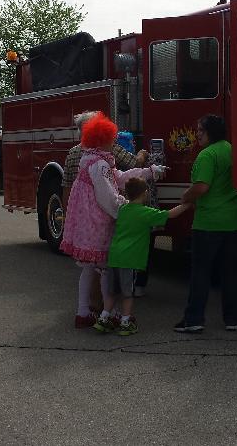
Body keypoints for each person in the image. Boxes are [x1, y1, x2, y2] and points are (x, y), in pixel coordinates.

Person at [60, 112, 163, 329]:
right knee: (106, 269)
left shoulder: (92, 159)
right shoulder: (100, 164)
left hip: (86, 222)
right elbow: (107, 196)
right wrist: (124, 209)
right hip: (97, 222)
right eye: (111, 137)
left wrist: (148, 171)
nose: (114, 141)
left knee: (89, 269)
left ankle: (83, 312)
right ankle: (111, 312)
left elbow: (120, 177)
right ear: (102, 139)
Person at [174, 114, 237, 334]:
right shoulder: (231, 149)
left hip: (210, 222)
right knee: (231, 272)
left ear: (211, 132)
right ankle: (233, 319)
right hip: (236, 219)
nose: (197, 134)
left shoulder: (207, 155)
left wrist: (186, 197)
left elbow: (201, 187)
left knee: (201, 272)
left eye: (200, 130)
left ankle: (194, 319)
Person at [94, 177, 188, 336]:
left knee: (112, 292)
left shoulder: (122, 210)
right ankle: (125, 322)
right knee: (127, 293)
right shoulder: (145, 213)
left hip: (115, 256)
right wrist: (187, 205)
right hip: (130, 259)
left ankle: (103, 318)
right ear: (144, 193)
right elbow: (170, 215)